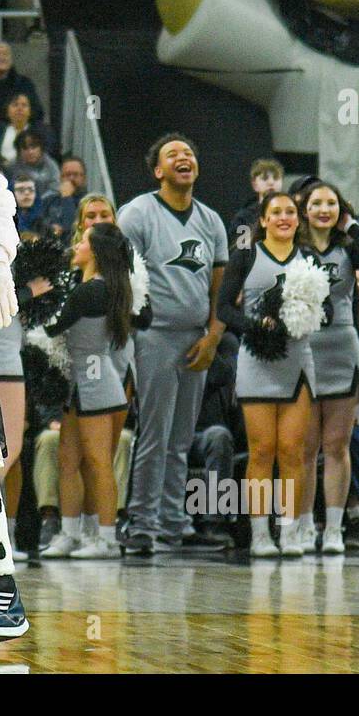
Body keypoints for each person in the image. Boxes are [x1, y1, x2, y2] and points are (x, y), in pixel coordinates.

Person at [118, 134, 228, 554]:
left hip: (196, 339)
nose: (184, 157)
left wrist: (213, 337)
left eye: (189, 152)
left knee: (181, 438)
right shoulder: (138, 213)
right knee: (154, 435)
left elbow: (221, 287)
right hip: (153, 336)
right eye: (173, 154)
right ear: (158, 170)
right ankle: (142, 523)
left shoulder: (211, 221)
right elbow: (121, 279)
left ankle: (171, 522)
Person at [217, 191, 315, 557]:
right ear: (263, 220)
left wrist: (304, 316)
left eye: (290, 211)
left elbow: (329, 311)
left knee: (292, 451)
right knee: (262, 450)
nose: (284, 217)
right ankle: (260, 533)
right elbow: (224, 309)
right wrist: (255, 326)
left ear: (298, 219)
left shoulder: (308, 259)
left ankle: (289, 531)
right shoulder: (246, 253)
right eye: (276, 212)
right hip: (257, 358)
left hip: (297, 359)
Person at [39, 222, 140, 559]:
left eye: (83, 241)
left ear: (95, 252)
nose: (77, 246)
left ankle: (106, 539)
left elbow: (52, 326)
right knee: (68, 460)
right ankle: (71, 534)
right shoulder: (98, 287)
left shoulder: (91, 292)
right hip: (83, 383)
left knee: (98, 463)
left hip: (95, 383)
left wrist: (35, 296)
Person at [294, 178, 359, 554]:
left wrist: (352, 225)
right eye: (316, 203)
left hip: (342, 349)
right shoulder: (293, 247)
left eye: (331, 203)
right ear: (304, 209)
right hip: (304, 349)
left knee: (337, 445)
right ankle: (302, 525)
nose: (323, 210)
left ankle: (333, 528)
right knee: (305, 448)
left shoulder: (349, 247)